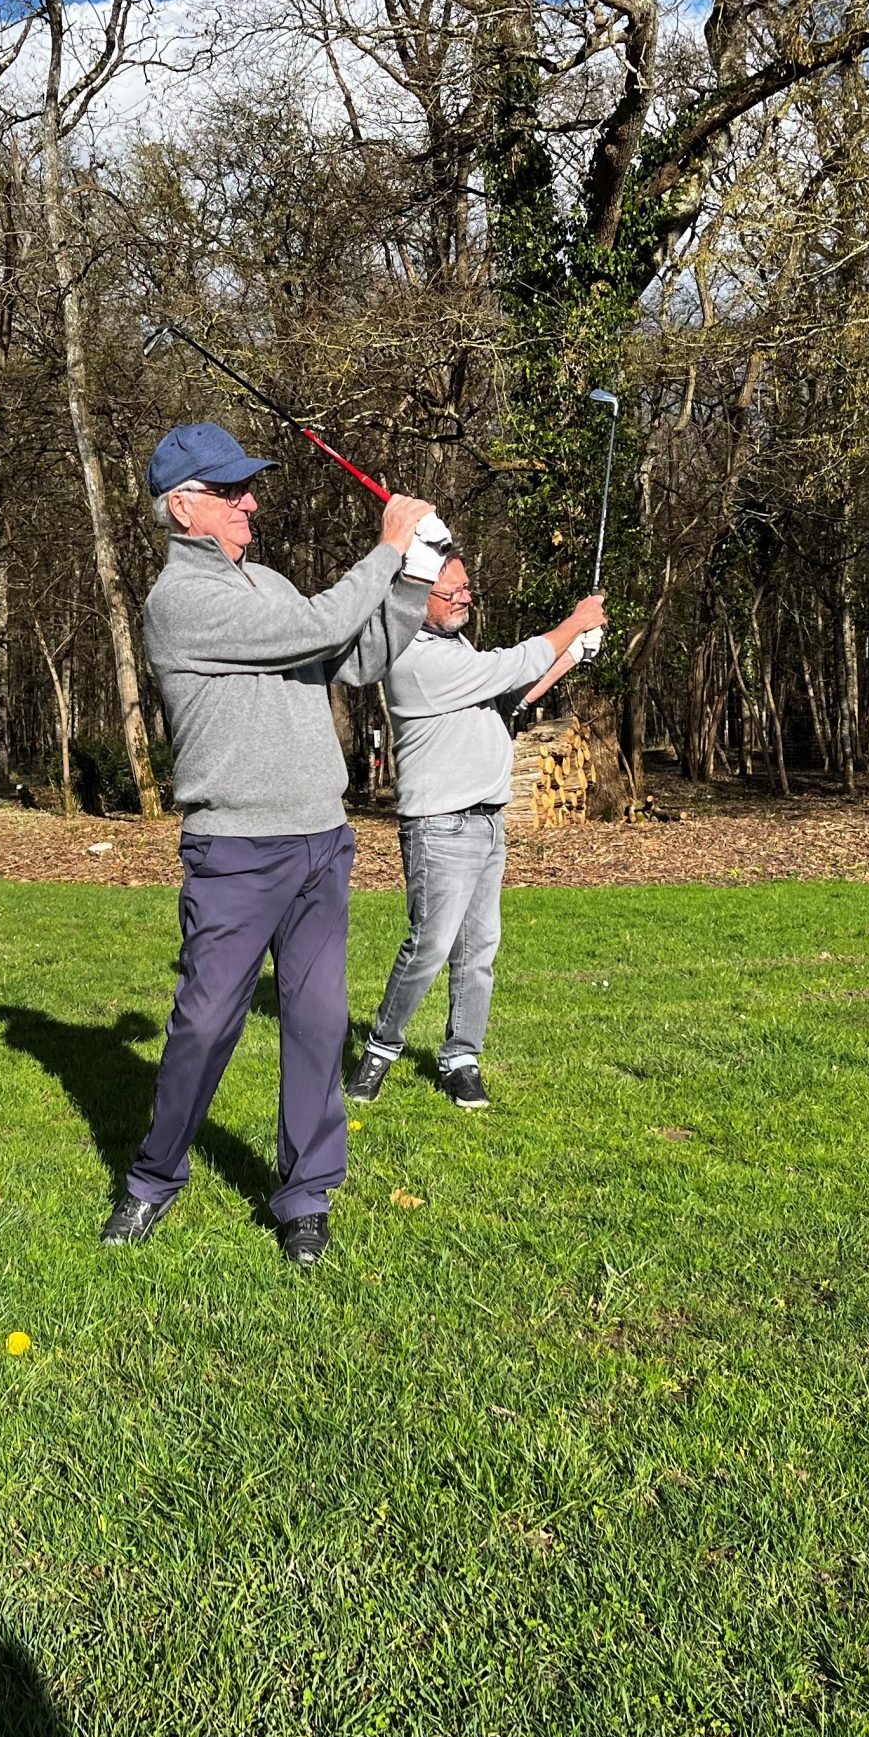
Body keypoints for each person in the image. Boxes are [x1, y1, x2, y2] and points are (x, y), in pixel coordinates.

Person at [103, 420, 442, 1266]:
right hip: (236, 851)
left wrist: (416, 575)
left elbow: (354, 657)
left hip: (321, 840)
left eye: (246, 487)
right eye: (229, 491)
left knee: (319, 1023)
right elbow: (321, 628)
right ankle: (153, 1178)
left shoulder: (270, 583)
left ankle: (306, 1196)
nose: (249, 501)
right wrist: (387, 548)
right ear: (183, 508)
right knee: (204, 1025)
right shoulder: (179, 602)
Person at [348, 555, 604, 1109]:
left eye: (467, 587)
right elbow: (511, 666)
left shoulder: (455, 645)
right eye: (453, 591)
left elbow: (508, 697)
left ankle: (461, 1058)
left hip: (488, 820)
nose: (465, 597)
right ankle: (380, 1049)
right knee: (430, 947)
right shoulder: (413, 657)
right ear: (417, 597)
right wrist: (573, 624)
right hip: (440, 826)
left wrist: (571, 656)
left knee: (479, 949)